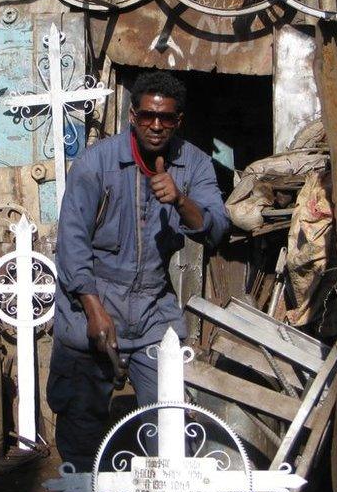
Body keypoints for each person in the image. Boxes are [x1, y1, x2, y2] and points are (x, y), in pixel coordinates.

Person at [46, 70, 231, 471]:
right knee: (81, 428)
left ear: (178, 121)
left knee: (168, 425)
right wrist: (94, 310)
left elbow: (217, 227)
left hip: (151, 309)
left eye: (166, 118)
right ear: (133, 115)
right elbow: (72, 242)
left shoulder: (194, 163)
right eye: (148, 116)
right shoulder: (97, 163)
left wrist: (181, 201)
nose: (156, 126)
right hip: (91, 303)